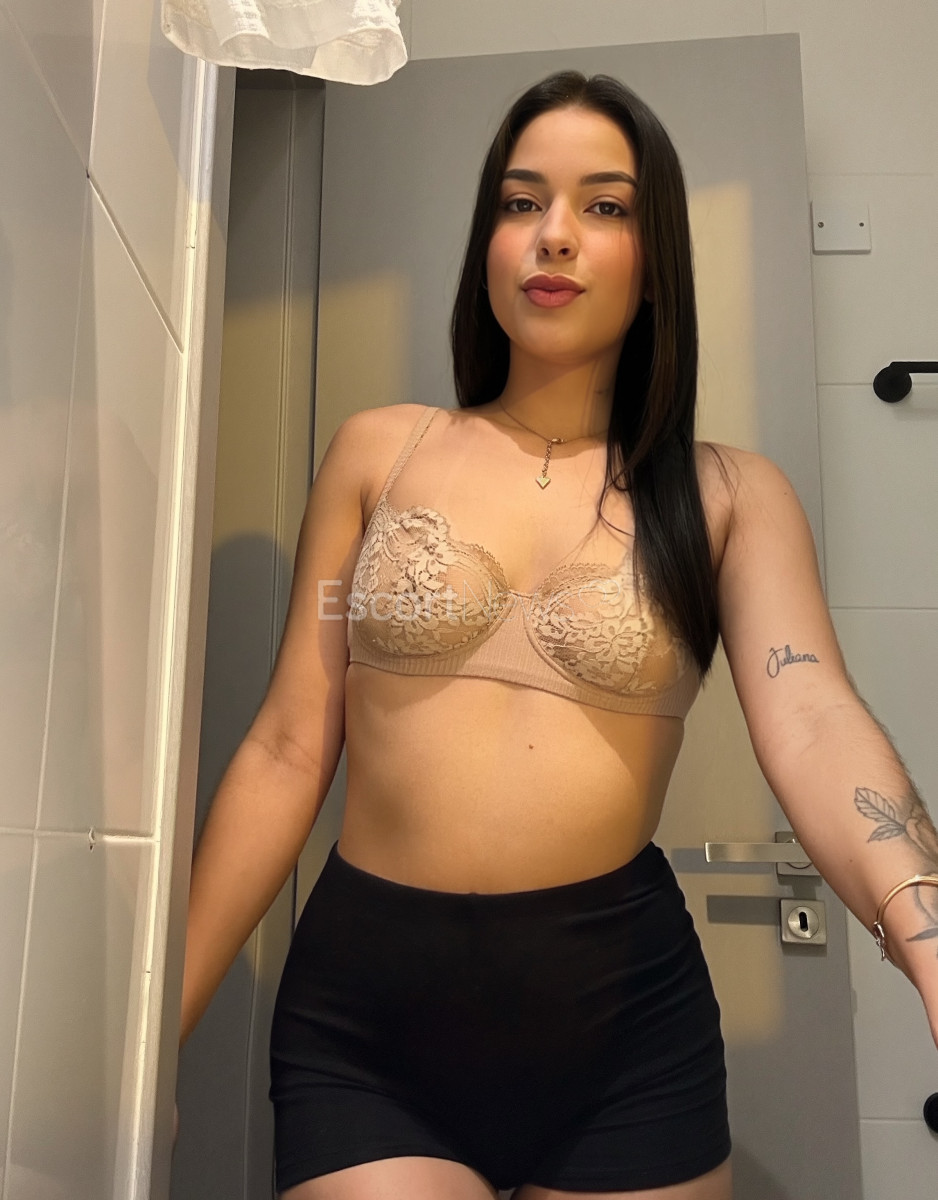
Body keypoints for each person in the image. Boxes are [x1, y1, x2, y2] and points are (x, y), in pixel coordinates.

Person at [177, 70, 938, 1200]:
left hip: (625, 1034)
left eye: (605, 206)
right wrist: (155, 1026)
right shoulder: (378, 452)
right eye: (521, 201)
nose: (555, 235)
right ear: (487, 242)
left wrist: (923, 931)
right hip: (364, 1026)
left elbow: (815, 718)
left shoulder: (728, 496)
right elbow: (288, 746)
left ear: (654, 258)